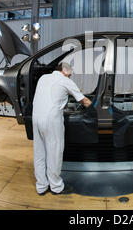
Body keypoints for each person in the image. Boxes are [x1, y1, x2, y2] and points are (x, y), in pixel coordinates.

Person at [32, 62, 92, 195]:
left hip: (35, 117)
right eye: (70, 73)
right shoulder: (65, 80)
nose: (70, 76)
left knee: (39, 153)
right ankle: (56, 187)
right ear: (64, 70)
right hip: (51, 120)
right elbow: (85, 101)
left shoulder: (43, 78)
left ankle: (41, 186)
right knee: (55, 152)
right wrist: (99, 111)